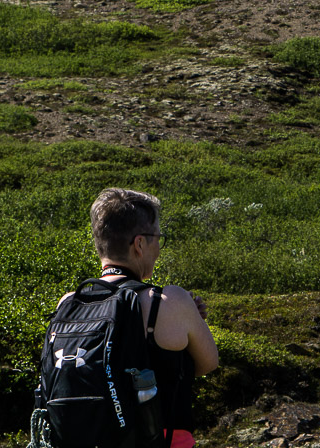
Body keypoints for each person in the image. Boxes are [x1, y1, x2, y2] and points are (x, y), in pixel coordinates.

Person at [83, 187, 219, 448]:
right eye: (158, 238)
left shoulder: (69, 302)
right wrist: (191, 319)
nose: (158, 248)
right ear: (139, 244)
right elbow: (207, 363)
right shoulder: (169, 301)